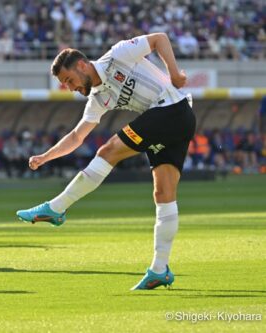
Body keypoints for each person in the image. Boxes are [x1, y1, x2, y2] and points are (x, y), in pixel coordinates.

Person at [17, 33, 196, 290]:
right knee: (163, 194)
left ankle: (56, 208)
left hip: (172, 110)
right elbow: (77, 136)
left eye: (69, 80)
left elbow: (160, 39)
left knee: (108, 150)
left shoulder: (118, 55)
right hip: (171, 123)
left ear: (81, 65)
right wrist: (46, 156)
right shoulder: (98, 98)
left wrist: (175, 73)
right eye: (65, 85)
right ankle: (159, 270)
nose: (71, 88)